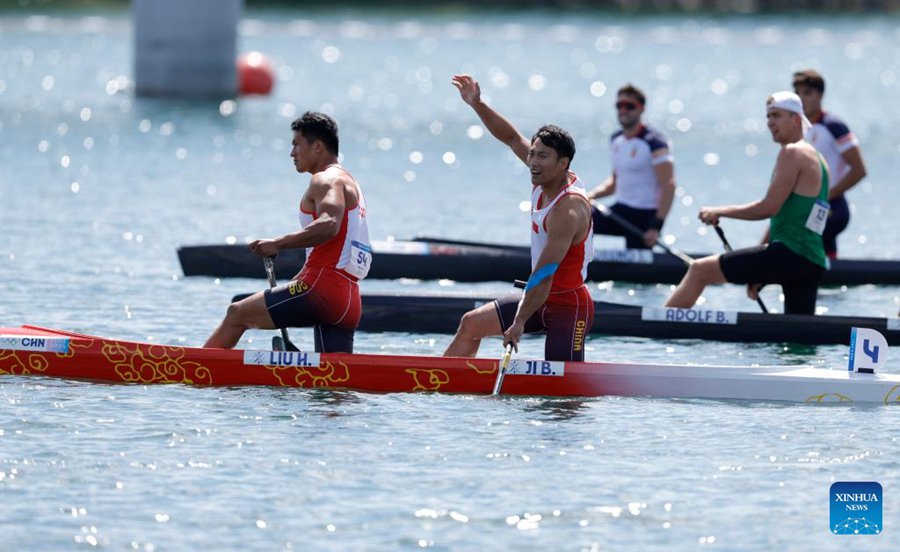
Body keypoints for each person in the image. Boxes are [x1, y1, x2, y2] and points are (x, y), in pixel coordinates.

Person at [443, 75, 594, 361]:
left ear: (563, 164)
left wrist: (520, 322)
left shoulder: (568, 210)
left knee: (562, 398)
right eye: (533, 155)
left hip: (569, 305)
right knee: (470, 324)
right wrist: (477, 104)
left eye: (543, 157)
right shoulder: (544, 176)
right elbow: (511, 137)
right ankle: (439, 384)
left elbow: (544, 273)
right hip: (538, 295)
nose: (533, 163)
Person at [204, 111, 372, 351]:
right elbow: (332, 246)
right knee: (333, 383)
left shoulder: (326, 180)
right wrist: (298, 279)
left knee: (237, 313)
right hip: (349, 300)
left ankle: (192, 372)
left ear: (317, 147)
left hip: (321, 290)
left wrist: (278, 243)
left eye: (296, 144)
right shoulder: (350, 182)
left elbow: (328, 225)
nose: (292, 153)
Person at [664, 91, 829, 315]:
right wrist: (762, 267)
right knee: (799, 342)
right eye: (768, 116)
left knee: (700, 270)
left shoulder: (792, 153)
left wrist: (719, 211)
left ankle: (655, 325)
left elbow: (768, 208)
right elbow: (785, 216)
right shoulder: (818, 158)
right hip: (811, 260)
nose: (770, 123)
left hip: (790, 255)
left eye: (776, 115)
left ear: (796, 119)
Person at [585, 84, 676, 249]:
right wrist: (589, 196)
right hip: (620, 211)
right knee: (577, 218)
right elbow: (613, 183)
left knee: (638, 273)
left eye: (630, 106)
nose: (624, 110)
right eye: (620, 105)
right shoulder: (616, 139)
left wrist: (656, 227)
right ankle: (571, 261)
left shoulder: (655, 143)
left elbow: (668, 186)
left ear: (641, 109)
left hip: (644, 218)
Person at [792, 69, 867, 259]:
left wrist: (826, 195)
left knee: (793, 237)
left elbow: (859, 170)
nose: (802, 99)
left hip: (833, 207)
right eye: (798, 93)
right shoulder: (800, 129)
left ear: (820, 95)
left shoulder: (834, 126)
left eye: (807, 93)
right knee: (821, 257)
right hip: (811, 206)